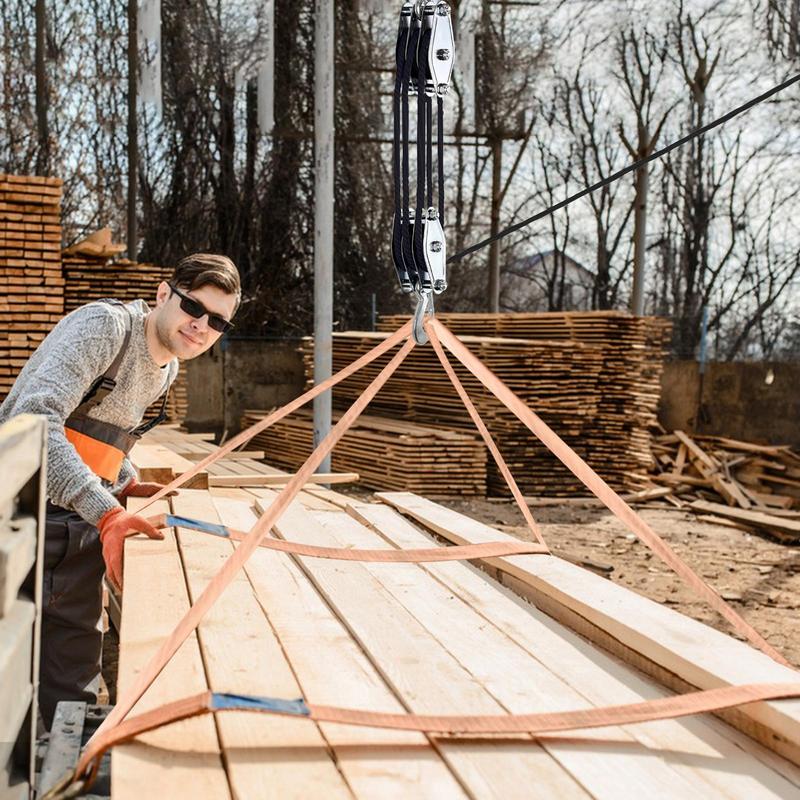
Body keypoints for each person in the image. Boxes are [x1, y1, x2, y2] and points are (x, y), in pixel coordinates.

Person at [0, 253, 240, 728]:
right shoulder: (105, 330)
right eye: (194, 307)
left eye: (217, 321)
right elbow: (35, 422)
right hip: (16, 510)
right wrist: (107, 513)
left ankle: (68, 760)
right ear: (163, 294)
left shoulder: (167, 367)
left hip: (75, 523)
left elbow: (96, 433)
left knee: (73, 676)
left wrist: (125, 480)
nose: (201, 326)